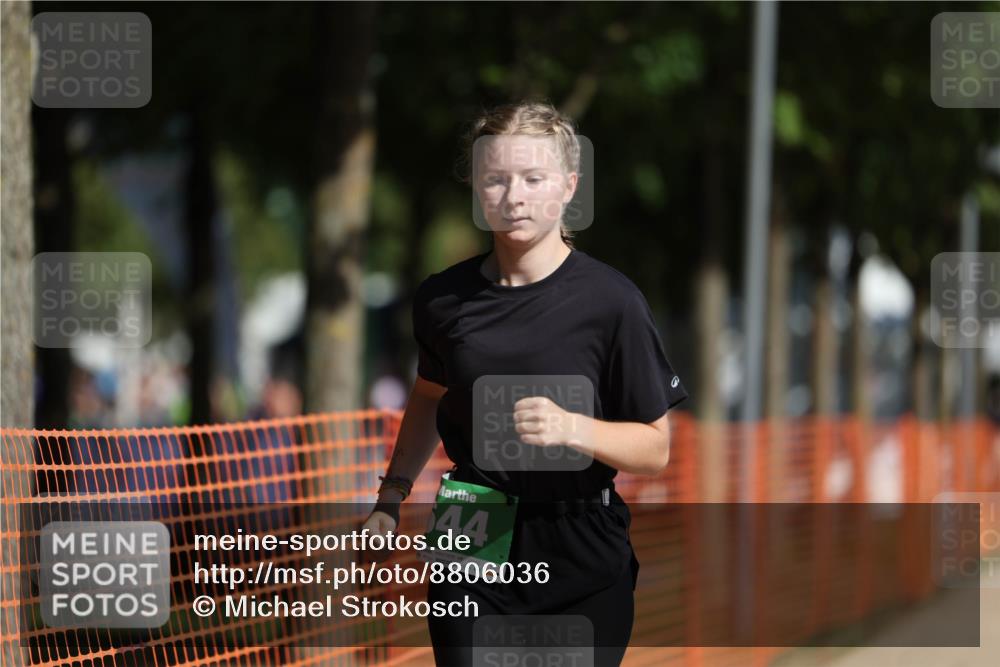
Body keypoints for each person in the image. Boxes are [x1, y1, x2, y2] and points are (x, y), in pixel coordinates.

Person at [362, 101, 688, 666]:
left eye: (533, 179)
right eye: (495, 179)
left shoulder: (613, 303)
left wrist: (574, 428)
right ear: (476, 188)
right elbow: (428, 396)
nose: (513, 196)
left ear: (568, 185)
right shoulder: (441, 300)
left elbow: (656, 447)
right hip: (474, 518)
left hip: (579, 533)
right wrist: (391, 498)